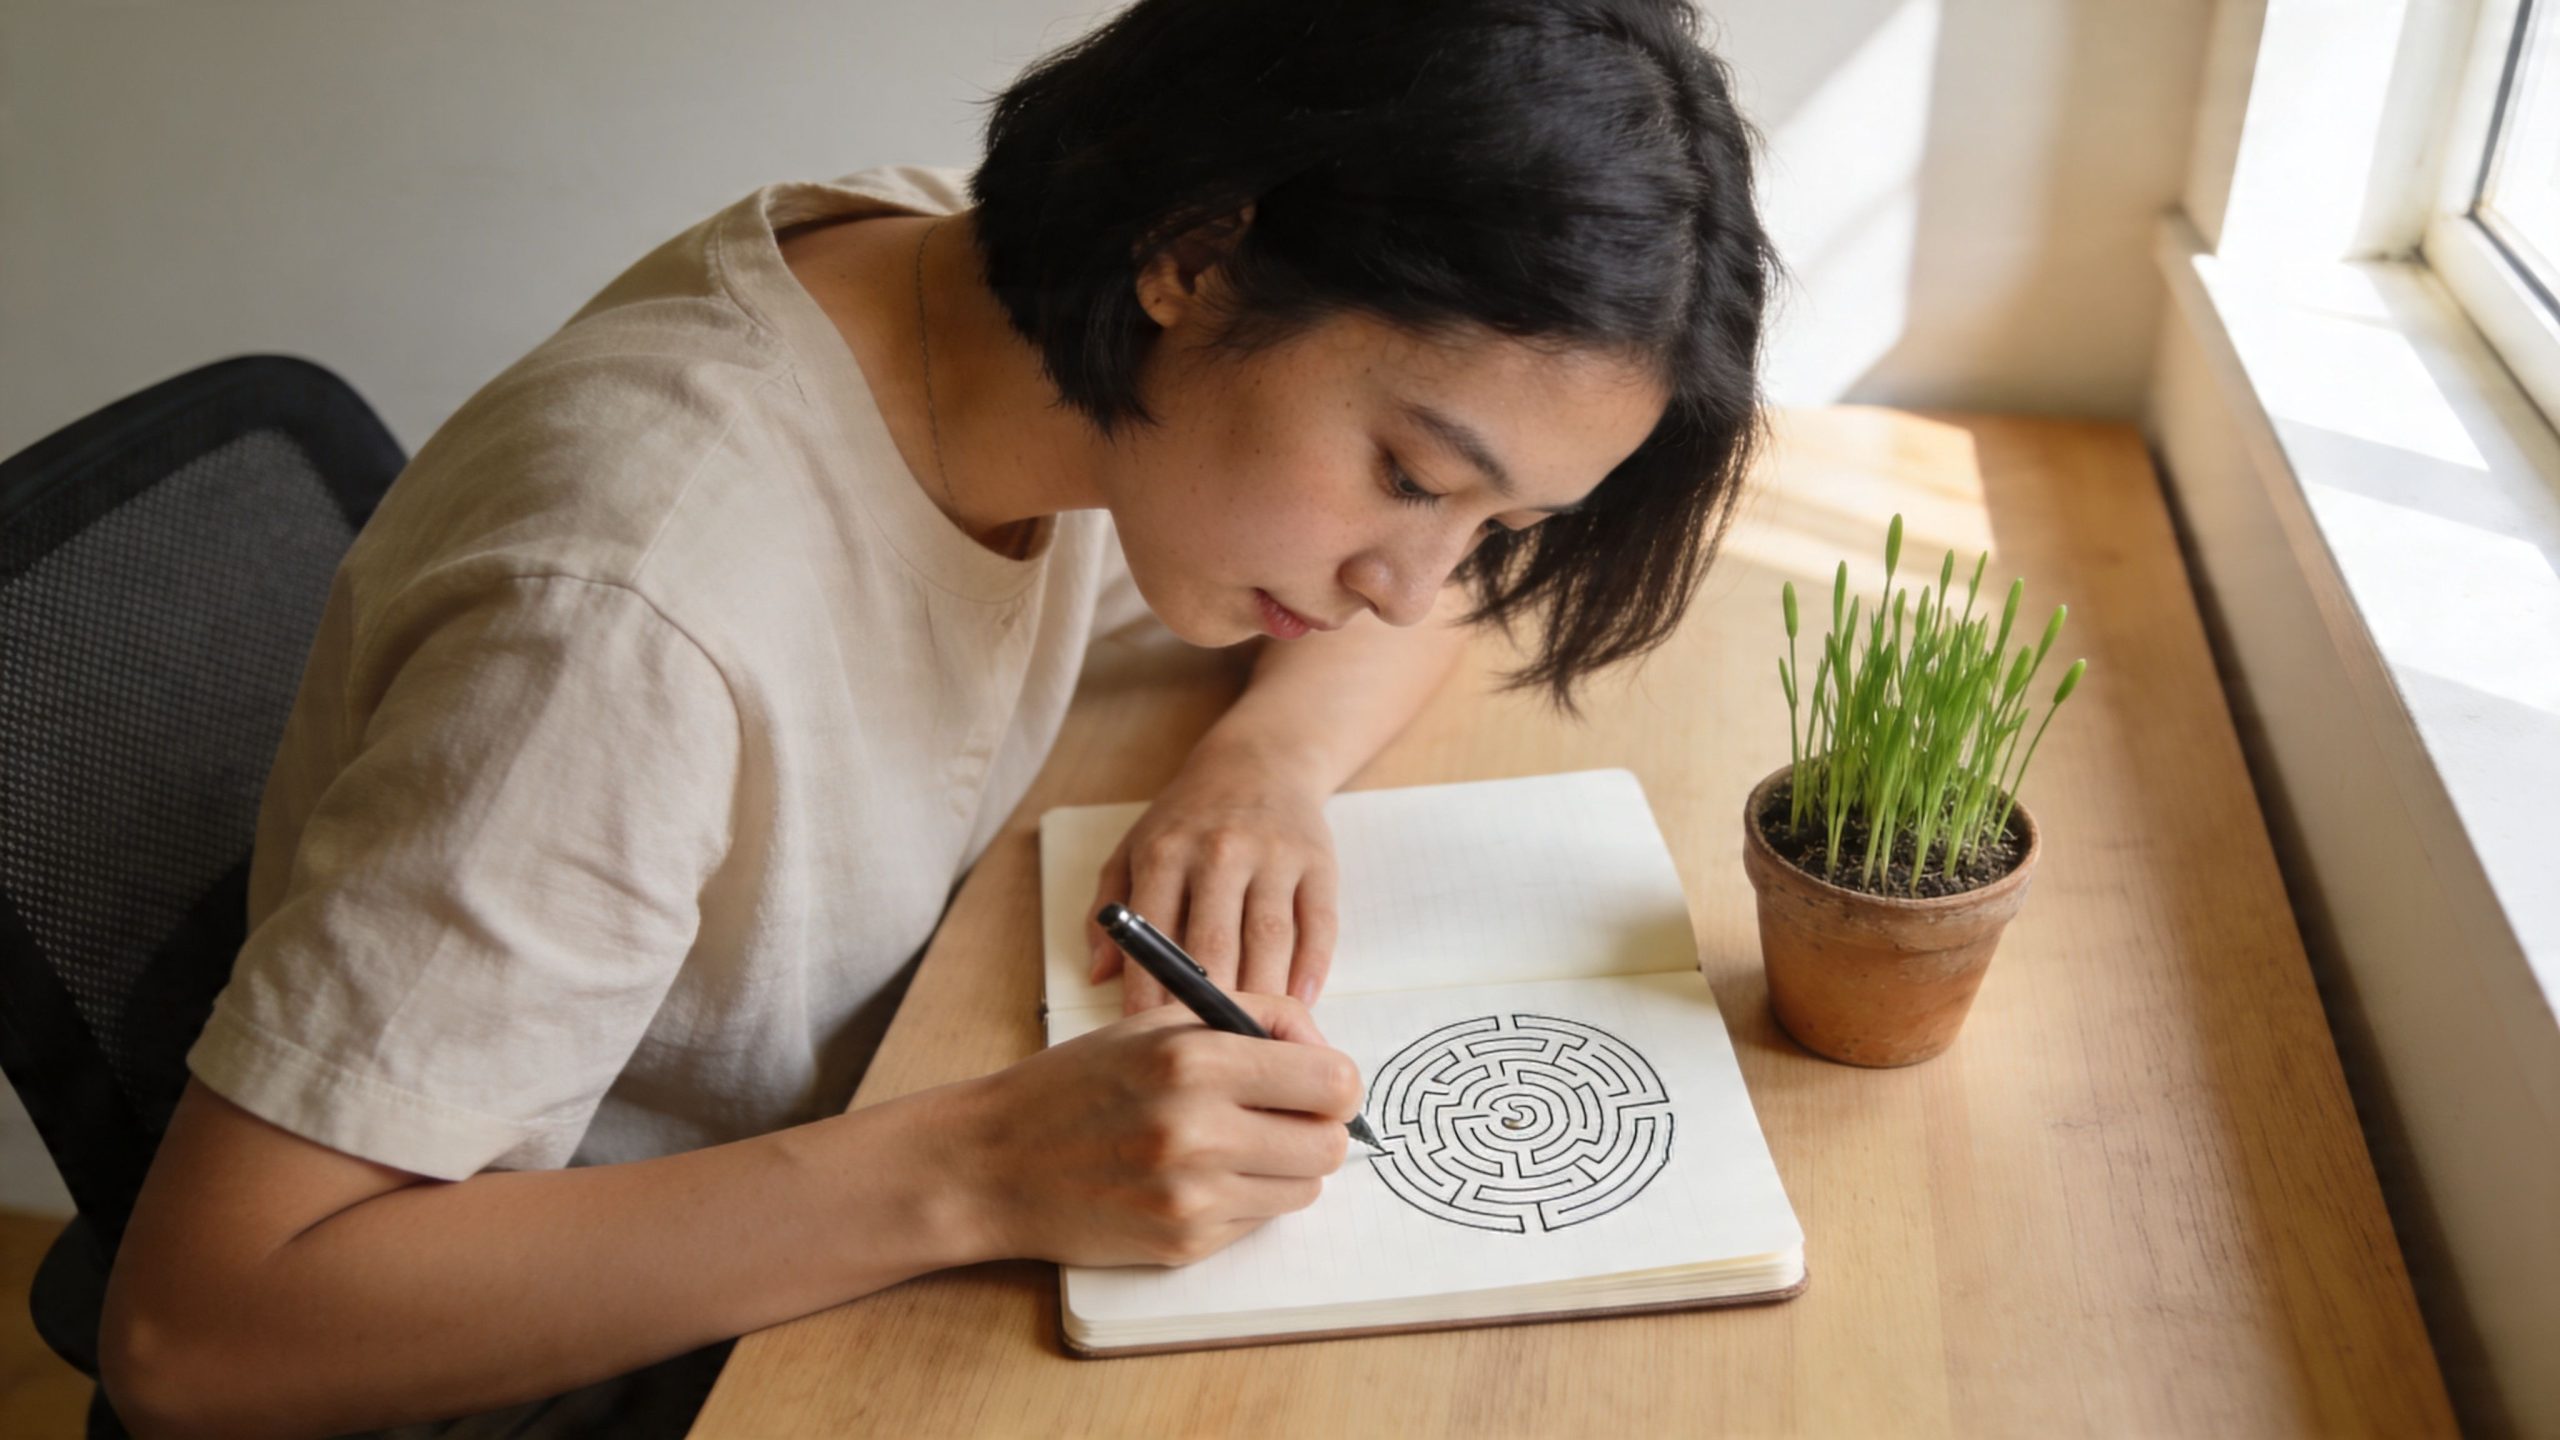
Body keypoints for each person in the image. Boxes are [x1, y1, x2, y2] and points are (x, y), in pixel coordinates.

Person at [97, 0, 1778, 1434]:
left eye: (1491, 523)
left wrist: (1264, 758)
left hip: (833, 1167)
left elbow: (1406, 622)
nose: (1417, 587)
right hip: (580, 1364)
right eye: (1409, 477)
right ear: (1198, 256)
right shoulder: (631, 619)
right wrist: (973, 1169)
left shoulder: (994, 315)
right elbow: (197, 1336)